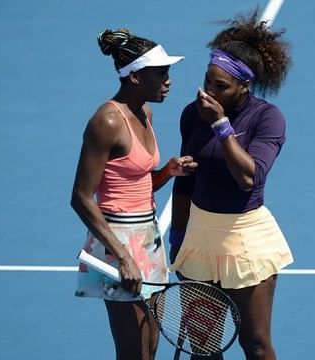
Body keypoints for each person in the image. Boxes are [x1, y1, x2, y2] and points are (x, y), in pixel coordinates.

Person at [169, 10, 294, 360]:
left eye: (221, 86)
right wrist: (177, 238)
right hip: (199, 236)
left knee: (254, 345)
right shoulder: (192, 115)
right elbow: (185, 185)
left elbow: (249, 177)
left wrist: (222, 127)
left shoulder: (267, 118)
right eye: (208, 81)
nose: (209, 91)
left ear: (244, 87)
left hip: (246, 239)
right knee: (203, 348)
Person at [71, 29, 197, 360]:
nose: (168, 81)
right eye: (161, 74)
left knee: (151, 344)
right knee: (133, 351)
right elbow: (81, 198)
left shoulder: (145, 113)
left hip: (147, 236)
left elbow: (137, 184)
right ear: (136, 77)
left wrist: (167, 172)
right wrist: (123, 256)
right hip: (118, 242)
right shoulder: (107, 120)